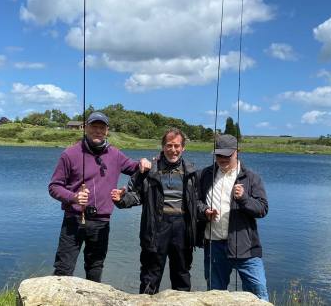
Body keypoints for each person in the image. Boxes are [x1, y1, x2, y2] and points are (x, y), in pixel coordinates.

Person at [48, 111, 151, 282]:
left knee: (95, 267)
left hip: (101, 222)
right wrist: (73, 197)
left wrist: (143, 162)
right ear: (86, 128)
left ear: (107, 131)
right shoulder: (70, 154)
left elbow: (135, 168)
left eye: (101, 128)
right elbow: (54, 186)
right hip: (73, 220)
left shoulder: (115, 154)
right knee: (63, 268)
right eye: (93, 127)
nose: (97, 131)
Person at [111, 128, 198, 294]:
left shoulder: (192, 172)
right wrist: (120, 199)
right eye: (169, 145)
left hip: (182, 228)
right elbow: (135, 195)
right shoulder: (149, 170)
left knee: (182, 275)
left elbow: (197, 202)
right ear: (163, 146)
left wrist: (207, 213)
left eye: (177, 146)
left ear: (183, 148)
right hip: (155, 228)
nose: (173, 150)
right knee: (150, 277)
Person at [196, 134, 269, 301]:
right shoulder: (205, 175)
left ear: (237, 152)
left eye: (227, 155)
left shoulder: (251, 178)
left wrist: (244, 198)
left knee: (259, 294)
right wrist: (204, 210)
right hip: (214, 245)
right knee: (214, 296)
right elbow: (195, 202)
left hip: (246, 248)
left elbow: (263, 209)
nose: (222, 159)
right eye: (219, 155)